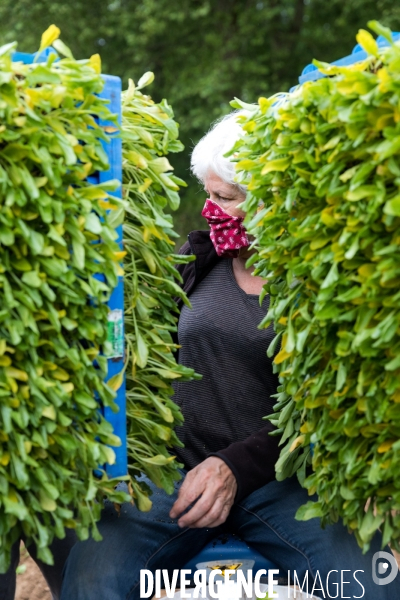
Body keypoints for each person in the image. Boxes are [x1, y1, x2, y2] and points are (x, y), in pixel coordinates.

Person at [60, 113, 398, 600]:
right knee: (94, 580)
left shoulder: (317, 283)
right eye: (208, 193)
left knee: (372, 581)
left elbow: (324, 415)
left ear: (271, 200)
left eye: (226, 197)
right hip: (174, 475)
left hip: (279, 482)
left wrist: (235, 468)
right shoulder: (195, 261)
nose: (209, 210)